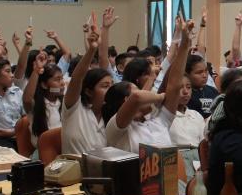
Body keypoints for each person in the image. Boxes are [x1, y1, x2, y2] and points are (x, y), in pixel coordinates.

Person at [103, 20, 192, 154]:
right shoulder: (116, 128)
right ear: (125, 101)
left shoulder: (159, 121)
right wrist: (160, 97)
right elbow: (137, 97)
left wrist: (184, 45)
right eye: (137, 89)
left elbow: (174, 85)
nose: (145, 93)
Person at [61, 25, 113, 155]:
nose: (111, 90)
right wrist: (91, 50)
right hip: (74, 172)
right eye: (105, 86)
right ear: (89, 91)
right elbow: (77, 79)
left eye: (111, 86)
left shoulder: (111, 114)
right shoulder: (74, 108)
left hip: (103, 173)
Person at [23, 51, 63, 150]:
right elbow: (27, 100)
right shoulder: (36, 104)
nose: (62, 83)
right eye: (57, 79)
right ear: (44, 85)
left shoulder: (64, 102)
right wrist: (37, 70)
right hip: (44, 152)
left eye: (62, 78)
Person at [169, 75, 206, 147]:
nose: (186, 92)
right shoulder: (164, 116)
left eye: (188, 87)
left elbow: (203, 144)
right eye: (179, 88)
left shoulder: (196, 115)